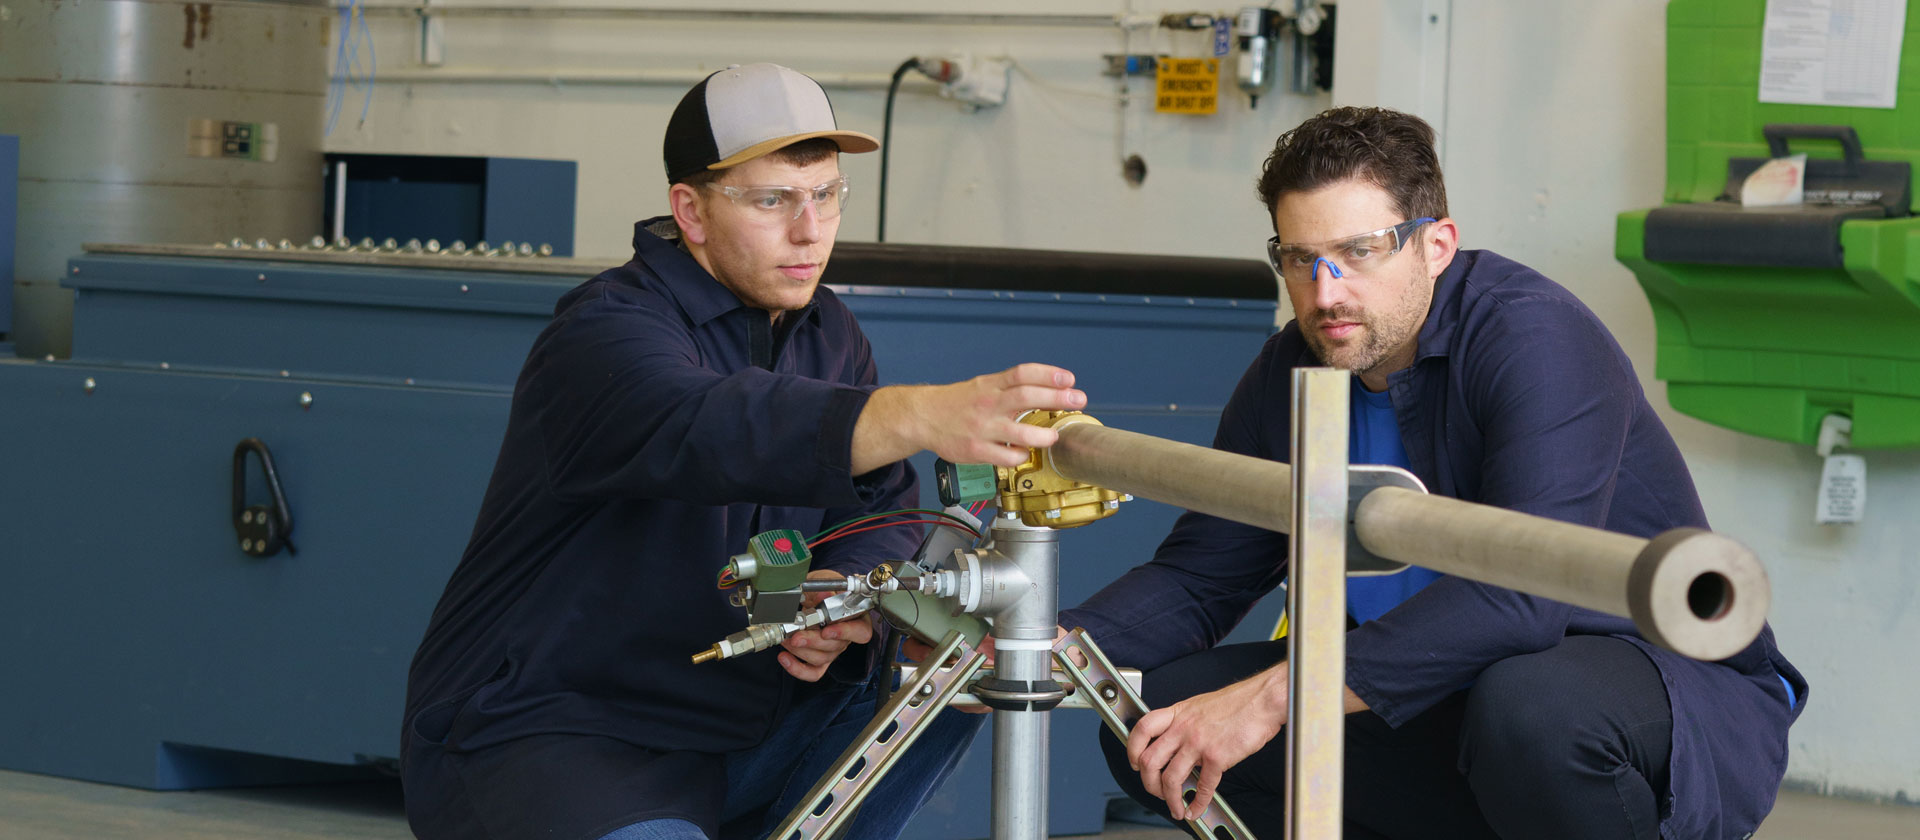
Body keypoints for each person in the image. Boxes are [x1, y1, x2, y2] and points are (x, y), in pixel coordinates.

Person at [1059, 107, 1807, 840]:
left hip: (1652, 692)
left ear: (1437, 245)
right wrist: (1040, 649)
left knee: (1532, 711)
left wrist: (1272, 698)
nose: (1325, 294)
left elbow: (1524, 596)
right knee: (1155, 720)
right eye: (1299, 258)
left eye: (1359, 252)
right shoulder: (1294, 364)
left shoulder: (1533, 337)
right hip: (1446, 690)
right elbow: (1205, 576)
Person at [400, 63, 1087, 840]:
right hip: (560, 734)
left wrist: (842, 592)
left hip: (742, 724)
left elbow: (880, 509)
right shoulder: (605, 332)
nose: (810, 229)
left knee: (964, 669)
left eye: (827, 195)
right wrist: (919, 411)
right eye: (772, 201)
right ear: (690, 212)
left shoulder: (828, 332)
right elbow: (717, 424)